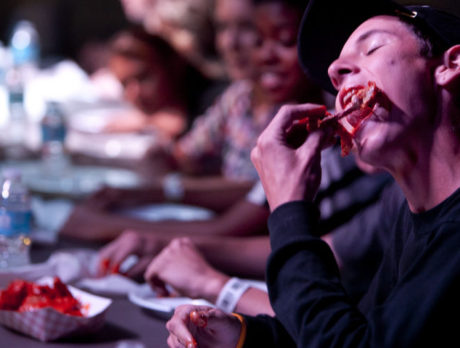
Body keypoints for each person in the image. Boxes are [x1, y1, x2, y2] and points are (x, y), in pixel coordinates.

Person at [164, 0, 460, 347]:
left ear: (451, 64)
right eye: (337, 74)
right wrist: (243, 336)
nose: (335, 70)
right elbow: (362, 334)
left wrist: (290, 208)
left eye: (372, 47)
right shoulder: (403, 209)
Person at [60, 0, 326, 242]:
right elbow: (183, 157)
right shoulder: (241, 96)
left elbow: (250, 200)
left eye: (287, 40)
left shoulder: (318, 122)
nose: (264, 55)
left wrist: (118, 220)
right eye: (258, 41)